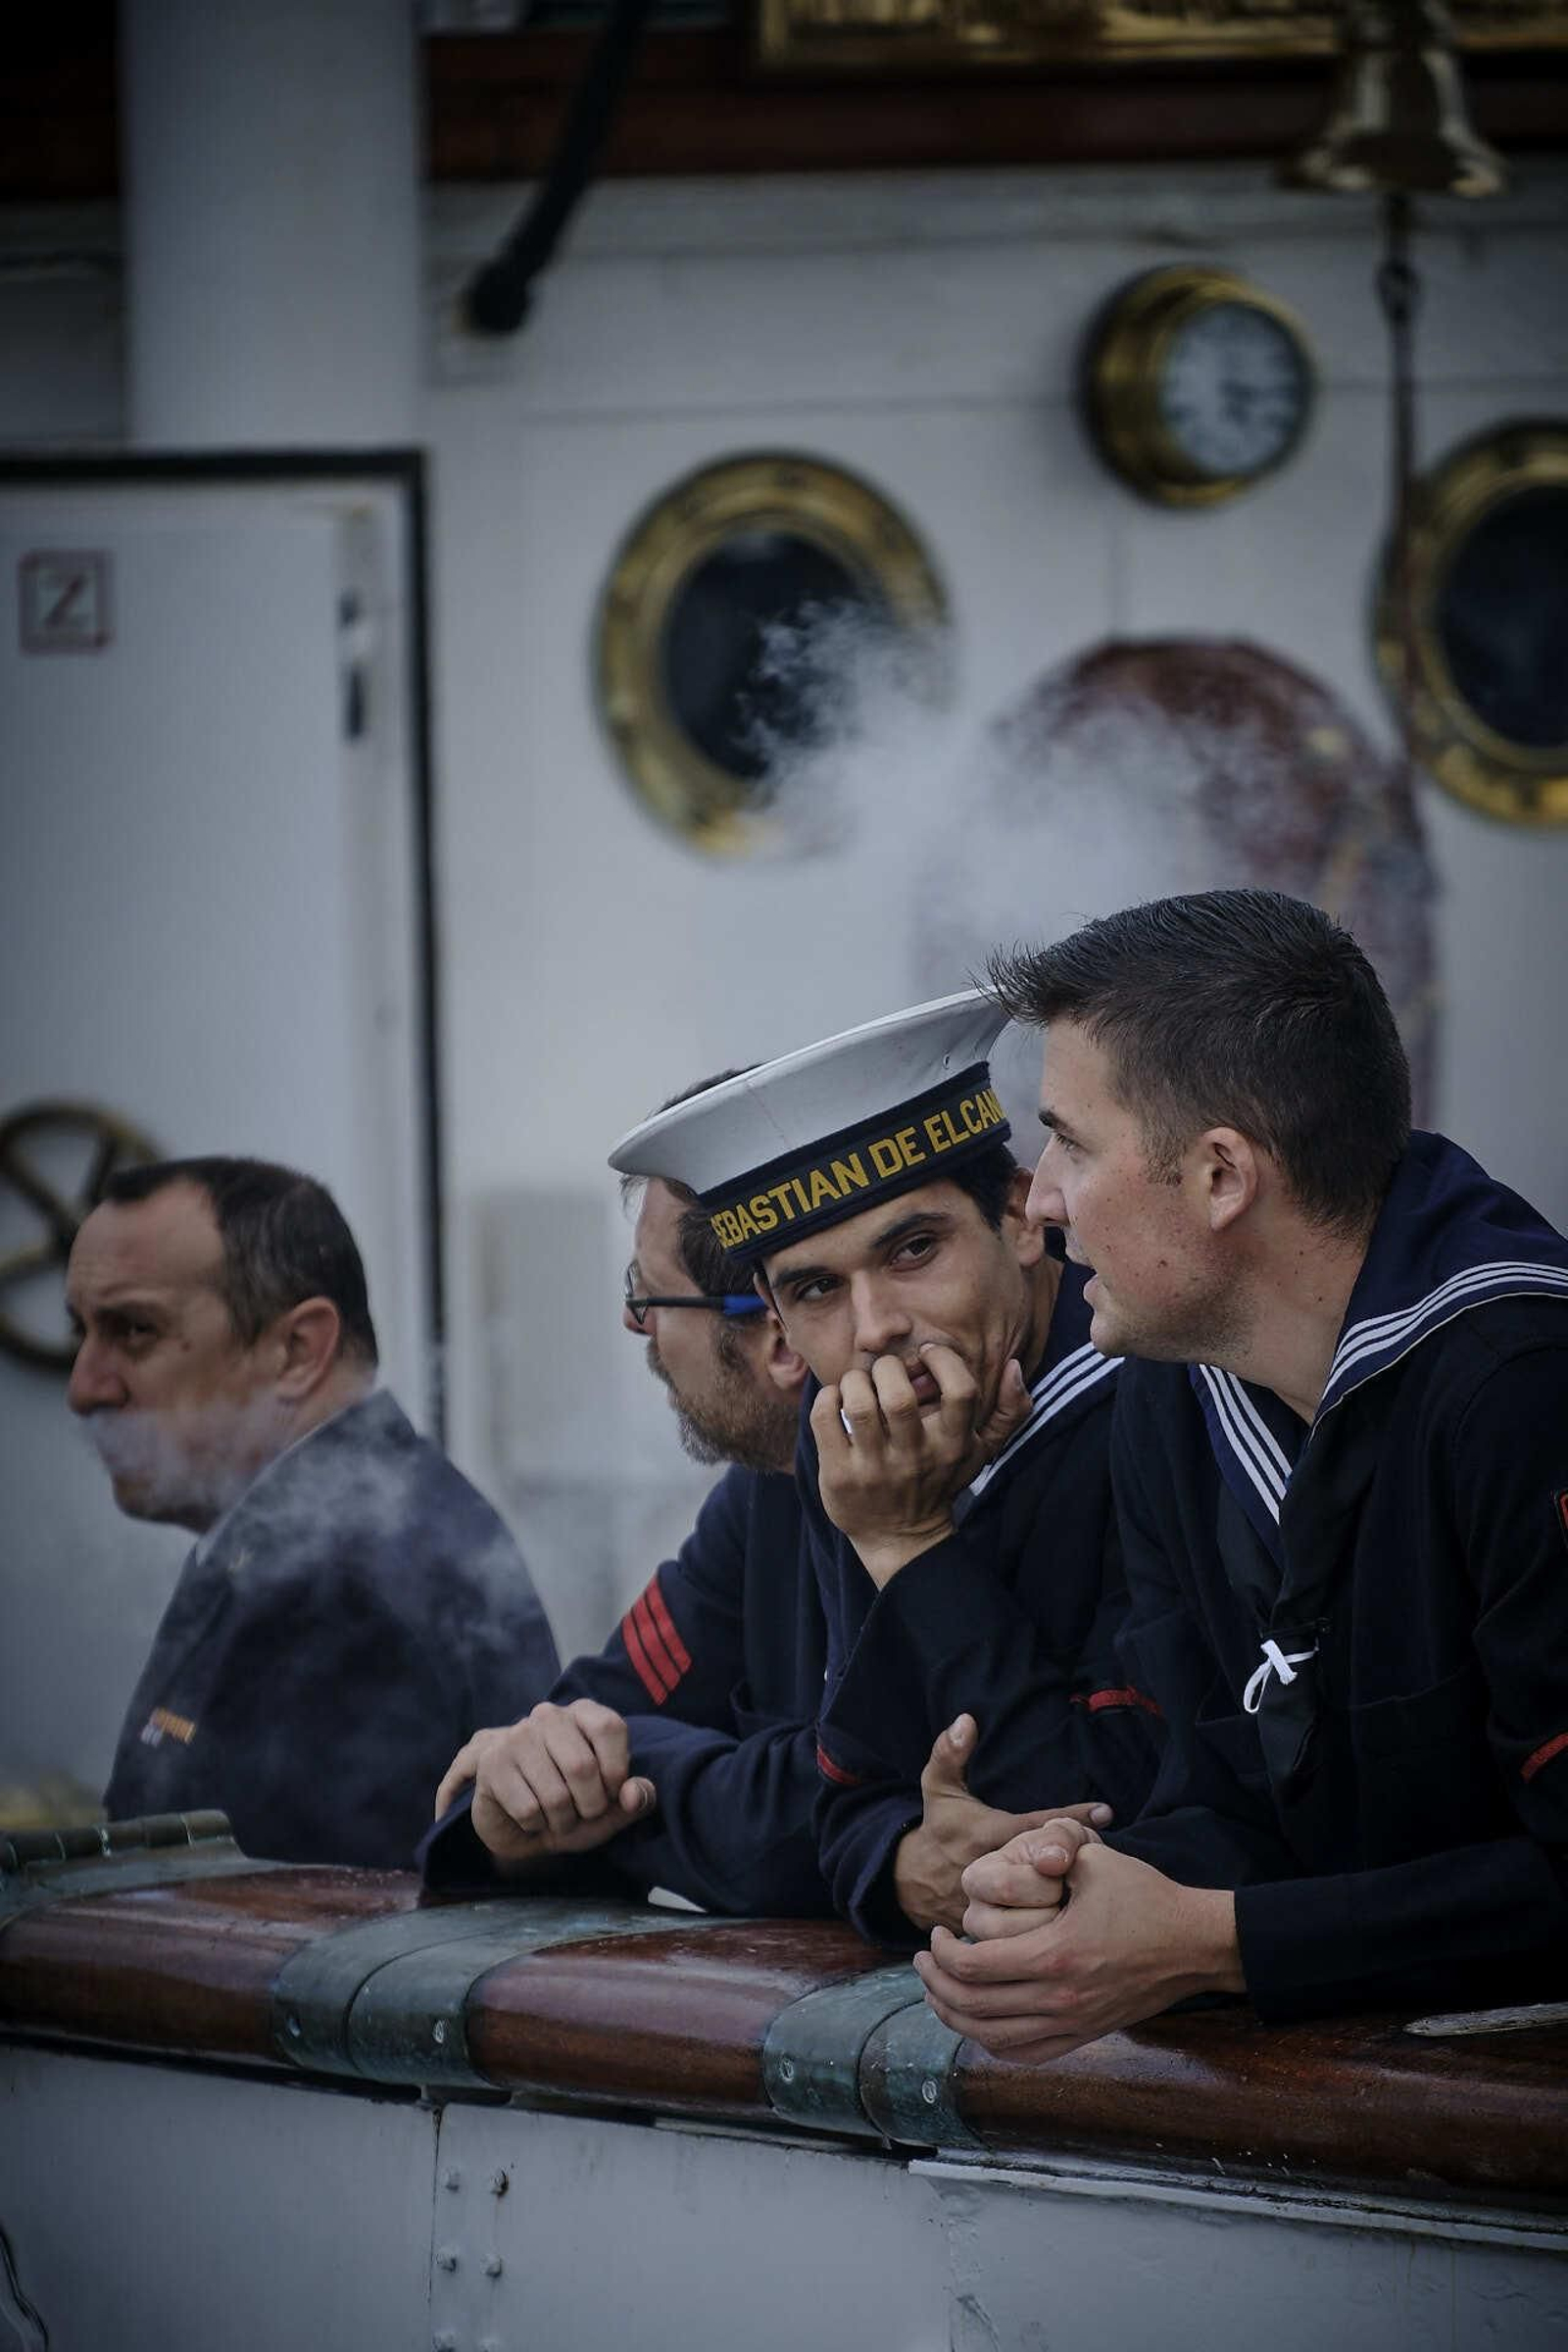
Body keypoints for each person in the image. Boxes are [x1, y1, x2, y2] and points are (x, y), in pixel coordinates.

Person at [916, 888, 1568, 2058]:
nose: (1041, 1200)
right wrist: (1073, 1884)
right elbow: (1223, 1793)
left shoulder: (1521, 1389)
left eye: (1070, 1140)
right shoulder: (1172, 1381)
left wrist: (1212, 1943)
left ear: (1221, 1176)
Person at [610, 993, 1161, 1945]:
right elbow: (852, 1795)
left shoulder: (1157, 1409)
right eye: (816, 1289)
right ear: (777, 1328)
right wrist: (894, 1863)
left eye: (913, 1250)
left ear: (1023, 1218)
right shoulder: (842, 1432)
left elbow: (1094, 1825)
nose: (875, 1329)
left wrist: (909, 1545)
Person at [68, 1155, 558, 1870]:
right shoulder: (331, 1532)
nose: (85, 1387)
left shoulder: (338, 1592)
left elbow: (254, 1949)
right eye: (80, 1330)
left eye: (133, 1330)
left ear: (297, 1350)